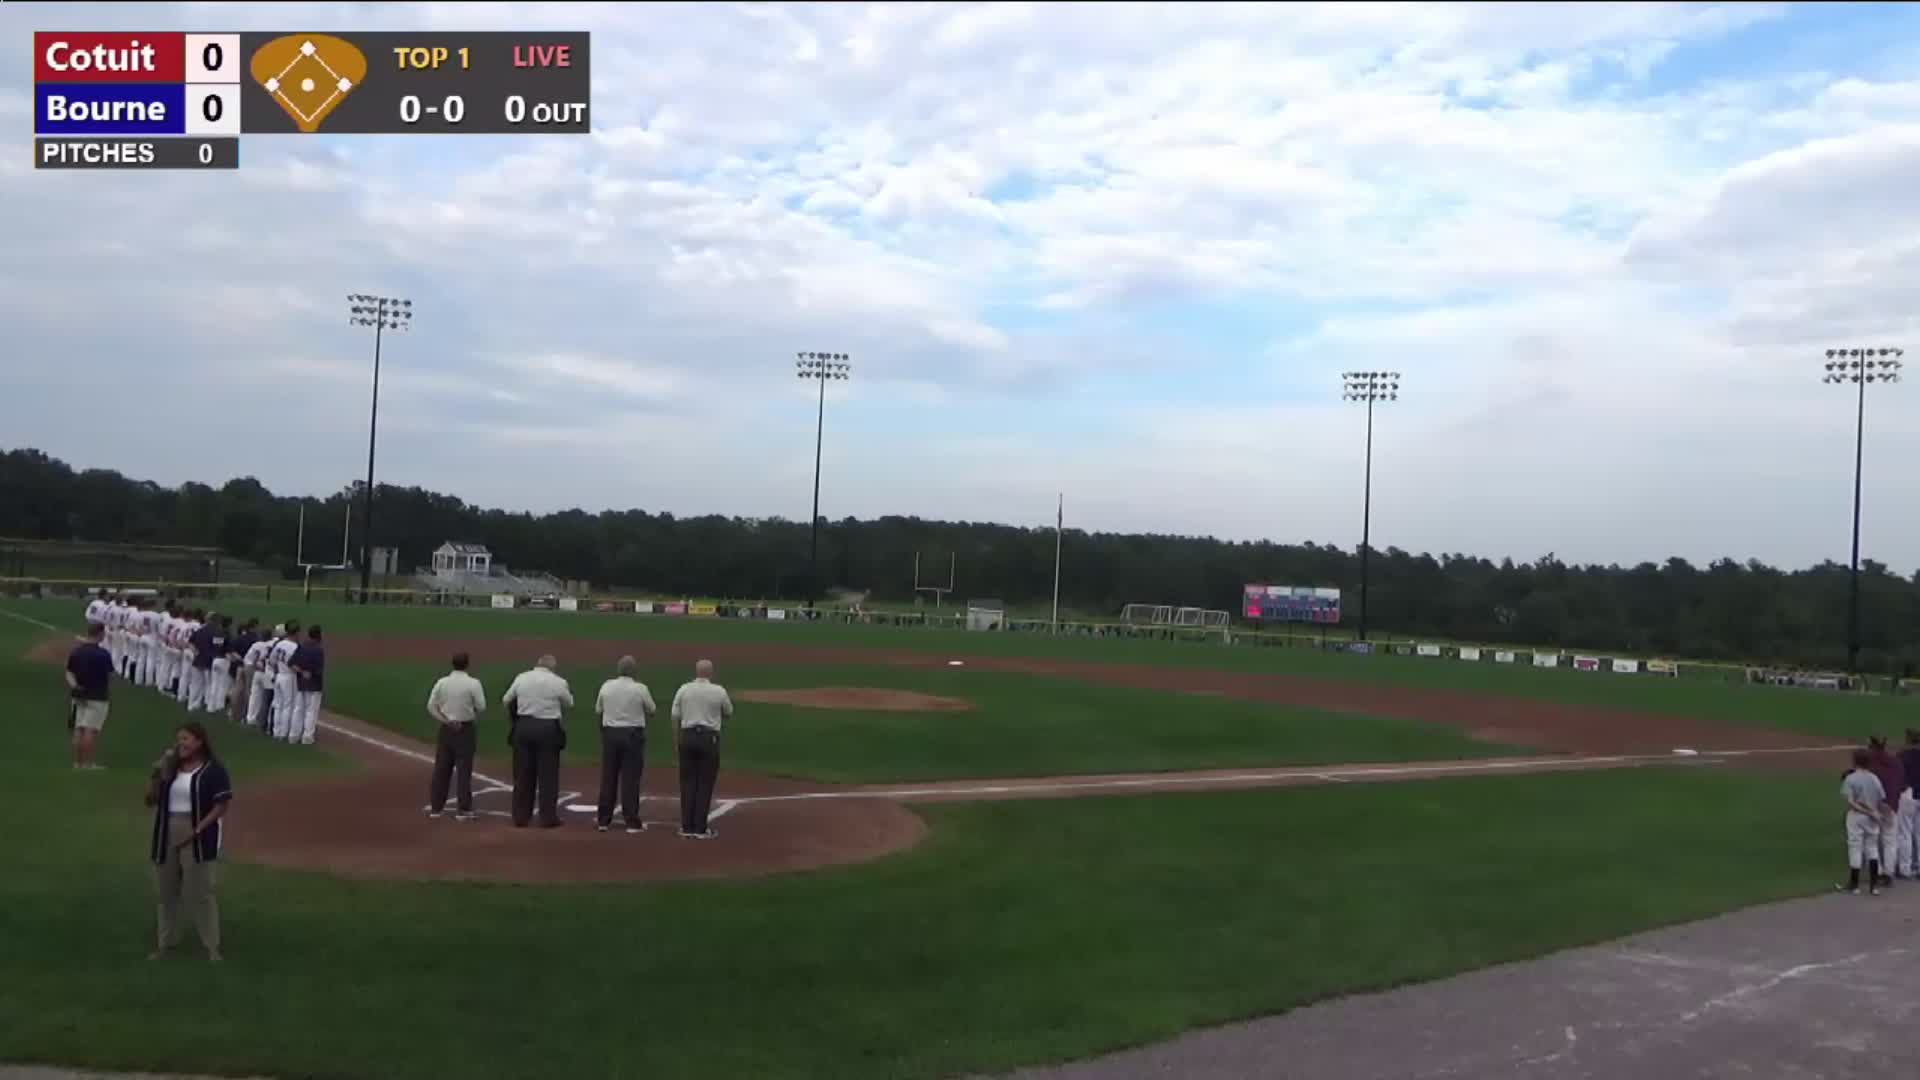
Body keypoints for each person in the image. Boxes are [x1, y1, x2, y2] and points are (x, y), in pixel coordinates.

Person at [145, 721, 232, 962]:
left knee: (201, 892)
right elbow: (150, 800)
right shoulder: (171, 769)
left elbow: (221, 805)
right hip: (166, 830)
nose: (180, 744)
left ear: (199, 742)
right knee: (166, 892)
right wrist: (157, 775)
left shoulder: (213, 770)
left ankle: (211, 947)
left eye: (186, 739)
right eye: (179, 739)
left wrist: (195, 831)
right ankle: (165, 943)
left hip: (198, 832)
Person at [502, 654, 572, 828]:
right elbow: (569, 702)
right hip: (548, 729)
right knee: (548, 775)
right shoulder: (558, 681)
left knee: (523, 774)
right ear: (551, 667)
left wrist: (516, 718)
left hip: (523, 728)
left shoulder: (522, 678)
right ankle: (547, 818)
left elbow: (506, 699)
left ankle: (520, 817)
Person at [671, 658, 733, 840]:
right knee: (705, 783)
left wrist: (677, 742)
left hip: (687, 738)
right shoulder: (719, 691)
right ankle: (700, 828)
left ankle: (686, 826)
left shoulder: (684, 689)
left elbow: (674, 716)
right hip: (709, 739)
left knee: (687, 782)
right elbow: (729, 712)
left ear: (696, 672)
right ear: (710, 673)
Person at [594, 655, 656, 833]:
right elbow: (652, 710)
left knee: (608, 777)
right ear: (634, 671)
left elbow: (599, 710)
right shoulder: (640, 688)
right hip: (632, 736)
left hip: (610, 735)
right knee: (630, 779)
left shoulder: (606, 686)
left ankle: (603, 820)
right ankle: (631, 821)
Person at [426, 652, 488, 819]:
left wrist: (446, 721)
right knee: (464, 770)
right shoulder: (473, 683)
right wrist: (469, 713)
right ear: (467, 664)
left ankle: (436, 808)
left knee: (441, 769)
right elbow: (481, 706)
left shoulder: (442, 682)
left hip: (446, 730)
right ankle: (464, 810)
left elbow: (431, 706)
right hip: (465, 729)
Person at [1840, 748, 1888, 896]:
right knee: (1872, 849)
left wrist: (1866, 811)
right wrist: (1878, 814)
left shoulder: (1851, 778)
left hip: (1856, 817)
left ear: (1855, 761)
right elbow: (1880, 800)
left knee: (1855, 847)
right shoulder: (1875, 778)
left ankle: (1854, 886)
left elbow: (1851, 801)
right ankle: (1874, 887)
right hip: (1872, 817)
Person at [65, 622, 113, 770]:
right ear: (99, 634)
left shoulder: (77, 652)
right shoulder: (103, 654)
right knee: (90, 730)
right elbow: (109, 674)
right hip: (97, 696)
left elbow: (69, 673)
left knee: (79, 729)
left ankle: (78, 763)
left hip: (79, 695)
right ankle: (87, 764)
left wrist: (75, 686)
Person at [1867, 735, 1906, 889]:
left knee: (1871, 841)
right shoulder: (1896, 763)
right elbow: (1901, 785)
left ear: (1873, 747)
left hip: (1874, 808)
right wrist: (1891, 803)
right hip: (1891, 807)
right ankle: (1888, 874)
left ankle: (1878, 873)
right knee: (1890, 840)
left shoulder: (1870, 764)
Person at [289, 625, 325, 746]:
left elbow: (291, 663)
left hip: (301, 684)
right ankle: (307, 737)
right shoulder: (318, 650)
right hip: (314, 685)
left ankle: (293, 736)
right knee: (311, 712)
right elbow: (319, 670)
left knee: (298, 709)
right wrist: (309, 673)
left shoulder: (301, 647)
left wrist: (301, 672)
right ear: (318, 636)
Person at [268, 620, 302, 740]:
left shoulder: (279, 644)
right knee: (288, 705)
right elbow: (297, 664)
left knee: (278, 704)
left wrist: (277, 670)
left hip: (278, 676)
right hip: (289, 677)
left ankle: (276, 731)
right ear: (295, 633)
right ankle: (283, 732)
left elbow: (271, 661)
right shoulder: (295, 647)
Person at [244, 626, 280, 730]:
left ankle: (250, 718)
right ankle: (267, 722)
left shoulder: (256, 645)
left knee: (254, 696)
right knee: (268, 699)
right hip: (268, 674)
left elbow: (248, 660)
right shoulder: (273, 644)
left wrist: (254, 665)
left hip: (257, 673)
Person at [1898, 729, 1920, 880]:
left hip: (1908, 794)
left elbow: (1899, 776)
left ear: (1908, 740)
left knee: (1905, 832)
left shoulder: (1902, 756)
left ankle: (1905, 869)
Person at [186, 612, 217, 712]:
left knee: (196, 684)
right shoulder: (217, 632)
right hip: (209, 661)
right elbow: (219, 648)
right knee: (209, 684)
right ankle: (207, 705)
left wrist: (195, 651)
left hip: (198, 659)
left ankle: (192, 704)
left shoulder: (199, 631)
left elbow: (190, 642)